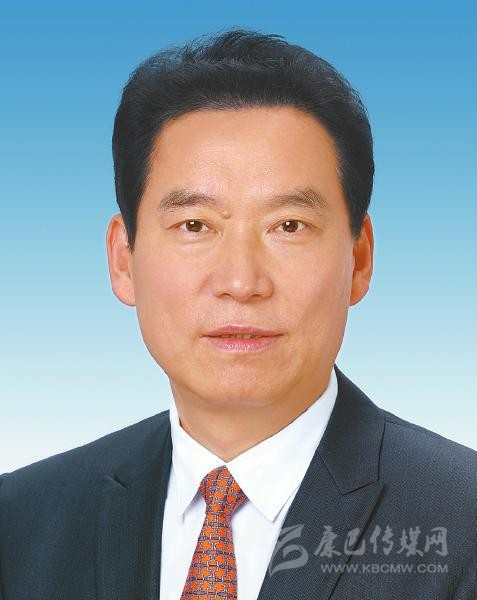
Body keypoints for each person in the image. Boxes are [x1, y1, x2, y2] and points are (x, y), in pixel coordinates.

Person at [0, 27, 475, 600]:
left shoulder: (462, 522)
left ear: (359, 259)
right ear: (124, 260)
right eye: (195, 225)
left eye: (289, 226)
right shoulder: (20, 520)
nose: (241, 283)